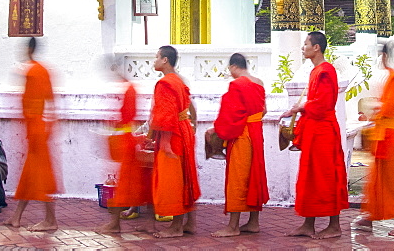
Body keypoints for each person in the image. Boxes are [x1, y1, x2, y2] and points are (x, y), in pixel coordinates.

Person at [280, 31, 348, 240]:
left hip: (324, 132)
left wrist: (301, 107)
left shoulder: (325, 71)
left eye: (306, 44)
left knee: (327, 176)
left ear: (316, 47)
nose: (303, 47)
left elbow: (323, 104)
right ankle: (308, 224)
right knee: (310, 177)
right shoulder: (316, 71)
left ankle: (334, 225)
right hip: (315, 132)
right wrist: (298, 109)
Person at [354, 40, 394, 237]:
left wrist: (374, 112)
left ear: (388, 56)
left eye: (384, 55)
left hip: (391, 135)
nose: (382, 59)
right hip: (383, 133)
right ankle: (371, 216)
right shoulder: (392, 77)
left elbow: (390, 108)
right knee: (377, 181)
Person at [210, 52, 268, 238]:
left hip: (242, 135)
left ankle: (233, 226)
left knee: (238, 179)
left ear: (234, 67)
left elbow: (229, 115)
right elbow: (263, 110)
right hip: (256, 134)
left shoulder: (236, 85)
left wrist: (216, 131)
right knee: (254, 176)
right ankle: (254, 222)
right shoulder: (259, 82)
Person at [4, 37, 59, 231]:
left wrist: (42, 127)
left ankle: (50, 220)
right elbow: (50, 101)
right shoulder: (39, 71)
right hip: (37, 128)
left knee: (41, 176)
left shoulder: (34, 72)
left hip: (37, 129)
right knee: (29, 176)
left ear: (29, 49)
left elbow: (36, 103)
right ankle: (16, 216)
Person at [96, 57, 151, 234]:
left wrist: (114, 128)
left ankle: (115, 223)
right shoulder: (127, 89)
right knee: (134, 184)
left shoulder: (129, 90)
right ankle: (145, 222)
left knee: (127, 184)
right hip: (127, 139)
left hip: (127, 142)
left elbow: (126, 118)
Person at [149, 45, 200, 238]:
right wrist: (192, 125)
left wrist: (165, 142)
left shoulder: (165, 83)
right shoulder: (178, 80)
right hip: (183, 129)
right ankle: (189, 223)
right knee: (185, 176)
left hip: (173, 134)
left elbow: (166, 114)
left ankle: (176, 227)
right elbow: (189, 106)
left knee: (173, 180)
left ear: (165, 60)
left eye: (156, 57)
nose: (154, 61)